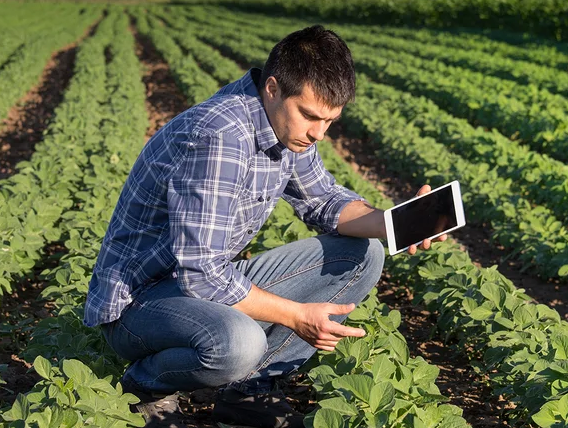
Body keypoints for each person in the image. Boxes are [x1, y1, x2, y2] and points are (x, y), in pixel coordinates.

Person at [83, 24, 445, 428]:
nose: (318, 133)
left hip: (197, 285)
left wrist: (398, 221)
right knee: (239, 342)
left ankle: (248, 392)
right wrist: (296, 316)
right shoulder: (220, 137)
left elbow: (323, 200)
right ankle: (145, 386)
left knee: (363, 254)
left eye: (330, 120)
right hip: (140, 304)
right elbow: (201, 275)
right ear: (272, 88)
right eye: (310, 116)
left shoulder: (285, 127)